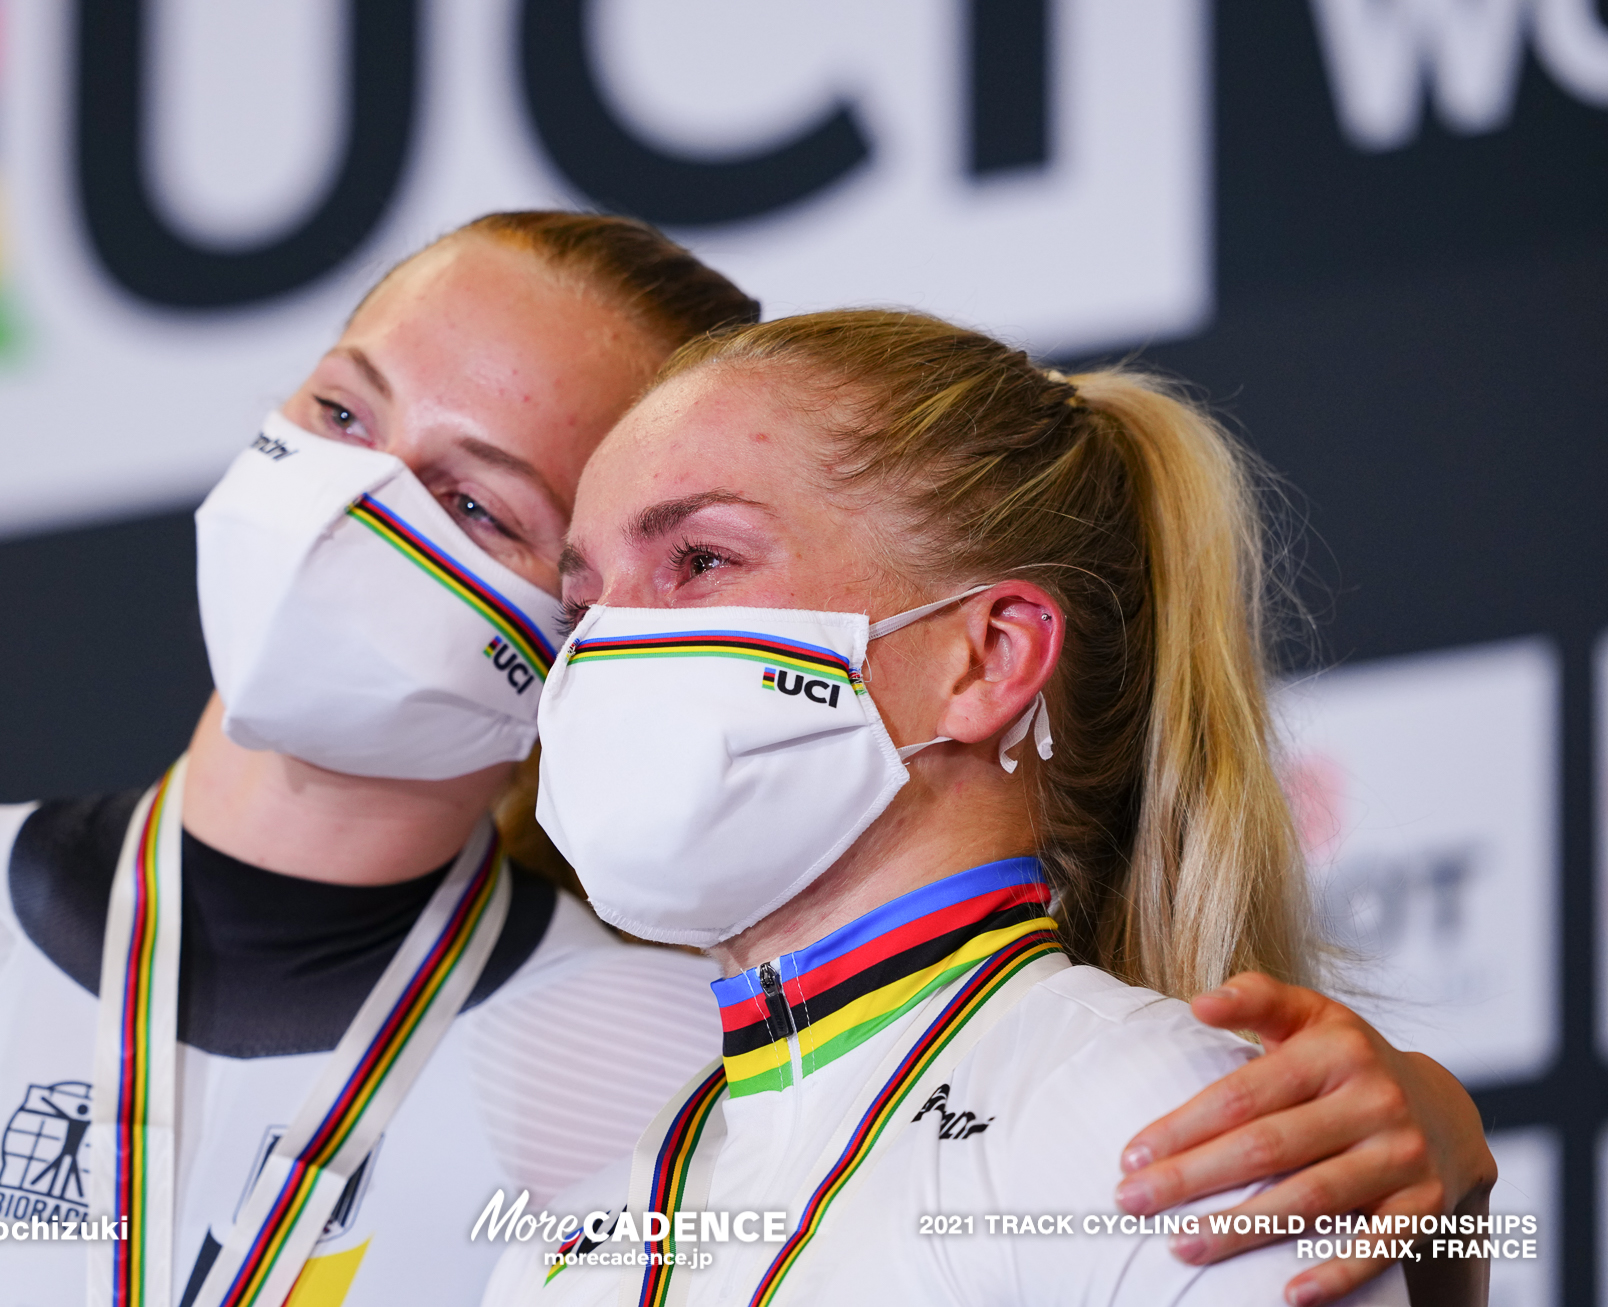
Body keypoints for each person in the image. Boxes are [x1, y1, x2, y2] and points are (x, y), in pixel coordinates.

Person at [0, 226, 1482, 1307]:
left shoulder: (701, 1068)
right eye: (345, 411)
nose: (357, 504)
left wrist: (1446, 1189)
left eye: (473, 500)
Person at [493, 308, 1489, 1306]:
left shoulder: (1166, 1120)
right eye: (584, 610)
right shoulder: (567, 1243)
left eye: (701, 559)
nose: (604, 654)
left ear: (990, 656)